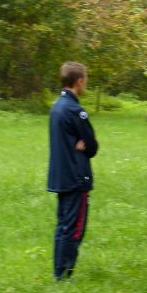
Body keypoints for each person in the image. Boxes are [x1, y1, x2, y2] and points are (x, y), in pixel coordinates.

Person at [47, 61, 99, 280]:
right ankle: (64, 275)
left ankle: (60, 272)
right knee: (74, 228)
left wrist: (83, 143)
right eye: (85, 81)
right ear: (79, 81)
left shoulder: (56, 107)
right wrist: (84, 144)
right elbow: (93, 146)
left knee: (63, 226)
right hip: (77, 177)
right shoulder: (76, 111)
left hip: (60, 176)